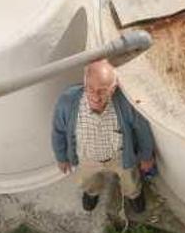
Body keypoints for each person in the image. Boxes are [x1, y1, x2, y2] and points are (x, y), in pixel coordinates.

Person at [51, 59, 155, 213]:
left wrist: (146, 156)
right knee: (88, 181)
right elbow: (58, 131)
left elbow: (142, 129)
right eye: (90, 89)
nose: (96, 97)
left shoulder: (125, 103)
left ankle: (133, 195)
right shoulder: (67, 102)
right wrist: (61, 157)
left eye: (102, 90)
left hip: (120, 157)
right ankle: (92, 193)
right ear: (84, 83)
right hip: (87, 157)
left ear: (113, 88)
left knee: (131, 181)